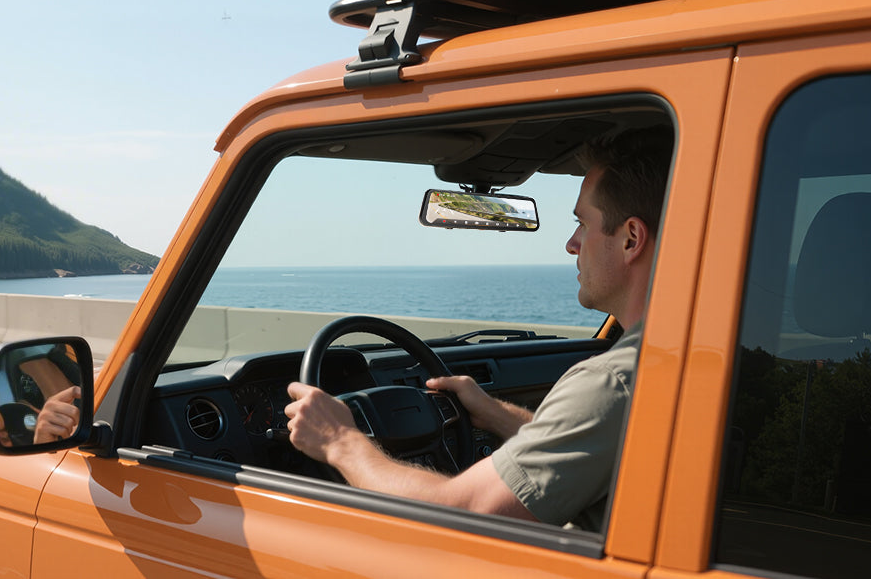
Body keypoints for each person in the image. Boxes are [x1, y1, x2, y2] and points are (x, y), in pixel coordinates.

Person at [285, 128, 673, 530]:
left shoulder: (614, 382)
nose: (571, 244)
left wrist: (340, 441)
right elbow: (583, 447)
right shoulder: (678, 355)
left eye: (583, 223)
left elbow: (460, 513)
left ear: (631, 239)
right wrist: (494, 413)